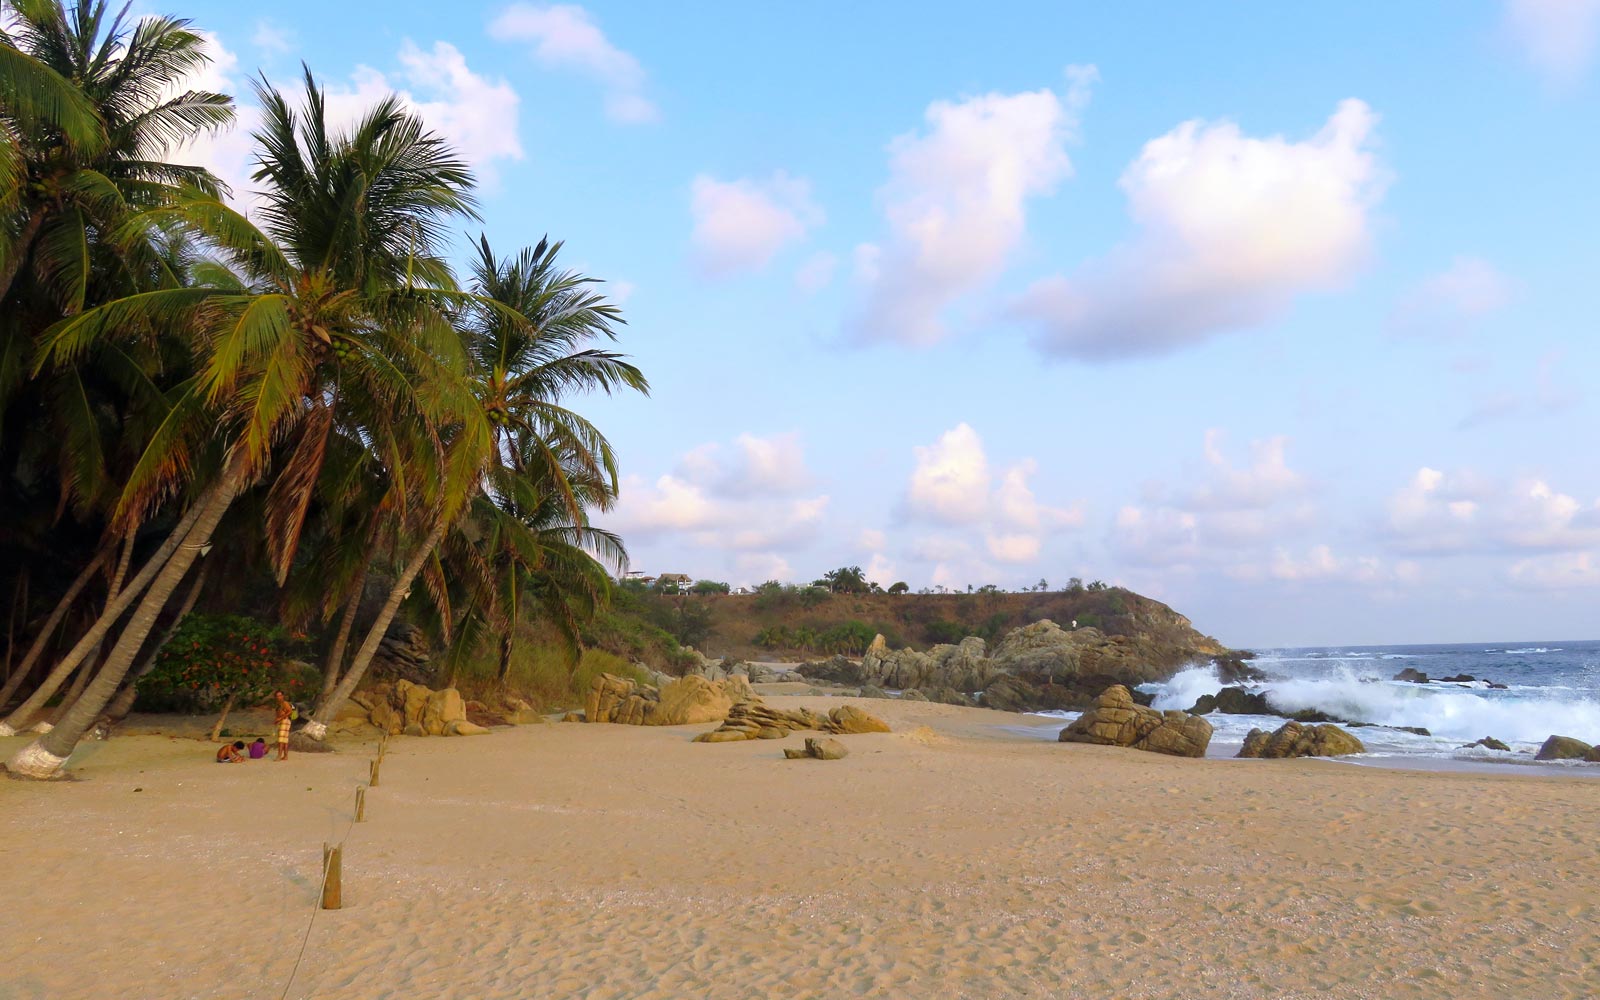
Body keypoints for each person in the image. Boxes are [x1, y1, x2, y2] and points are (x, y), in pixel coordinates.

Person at [273, 690, 293, 761]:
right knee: (284, 740)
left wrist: (280, 718)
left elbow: (290, 711)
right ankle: (285, 756)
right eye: (277, 696)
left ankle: (279, 755)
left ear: (283, 696)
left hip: (285, 721)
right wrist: (277, 720)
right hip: (283, 721)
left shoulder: (285, 703)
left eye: (280, 695)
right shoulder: (279, 704)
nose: (279, 697)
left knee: (281, 739)